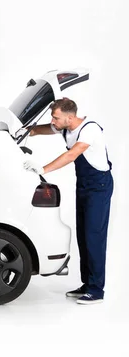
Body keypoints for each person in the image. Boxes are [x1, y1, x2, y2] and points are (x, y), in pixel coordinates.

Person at [23, 98, 113, 305]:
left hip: (98, 187)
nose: (53, 121)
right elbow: (43, 129)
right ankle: (87, 284)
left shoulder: (89, 130)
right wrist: (26, 131)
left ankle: (97, 290)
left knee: (94, 237)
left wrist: (43, 169)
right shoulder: (64, 126)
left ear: (70, 117)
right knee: (83, 235)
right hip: (84, 185)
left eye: (56, 117)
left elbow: (72, 155)